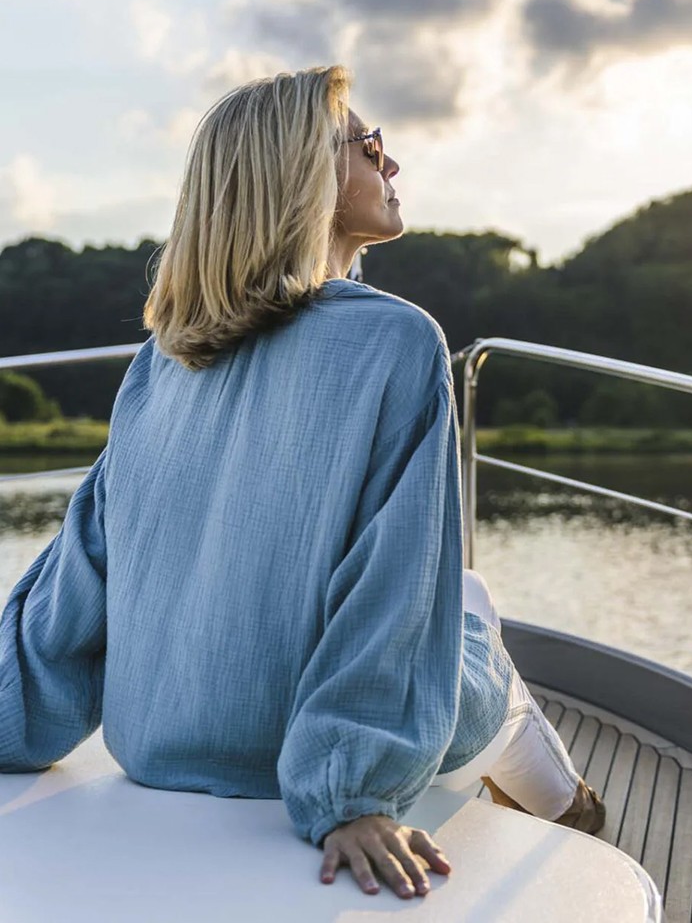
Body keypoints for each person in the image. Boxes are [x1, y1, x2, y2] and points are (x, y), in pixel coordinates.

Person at [0, 65, 604, 902]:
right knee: (469, 618)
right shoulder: (398, 341)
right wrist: (350, 795)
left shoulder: (159, 365)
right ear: (304, 175)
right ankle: (569, 808)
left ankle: (565, 800)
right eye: (372, 146)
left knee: (462, 596)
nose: (392, 166)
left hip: (162, 745)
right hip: (309, 755)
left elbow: (79, 584)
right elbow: (390, 582)